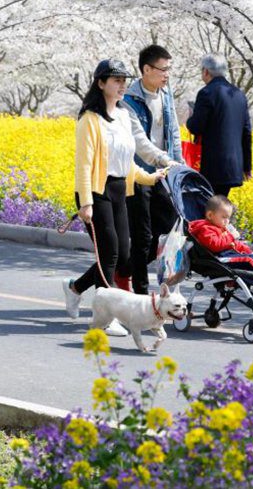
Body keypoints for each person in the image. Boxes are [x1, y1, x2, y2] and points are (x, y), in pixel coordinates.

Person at [62, 59, 166, 337]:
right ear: (101, 83)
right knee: (109, 252)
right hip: (97, 192)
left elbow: (124, 158)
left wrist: (149, 177)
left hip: (120, 190)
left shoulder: (122, 115)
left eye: (123, 80)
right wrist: (86, 202)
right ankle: (105, 317)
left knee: (122, 255)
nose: (122, 85)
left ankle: (75, 288)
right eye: (116, 80)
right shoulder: (89, 120)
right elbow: (84, 164)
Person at [119, 44, 183, 294]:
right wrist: (165, 160)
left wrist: (178, 168)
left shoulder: (166, 94)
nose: (167, 74)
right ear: (146, 69)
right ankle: (141, 294)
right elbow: (139, 142)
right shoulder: (129, 100)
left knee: (168, 232)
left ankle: (123, 271)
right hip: (139, 174)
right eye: (163, 69)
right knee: (143, 237)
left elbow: (174, 132)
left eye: (169, 69)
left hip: (164, 174)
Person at [186, 54, 252, 197]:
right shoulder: (239, 94)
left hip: (211, 166)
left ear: (206, 71)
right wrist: (247, 166)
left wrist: (191, 117)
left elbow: (195, 127)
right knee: (221, 206)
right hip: (233, 166)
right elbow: (246, 132)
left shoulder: (206, 93)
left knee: (209, 209)